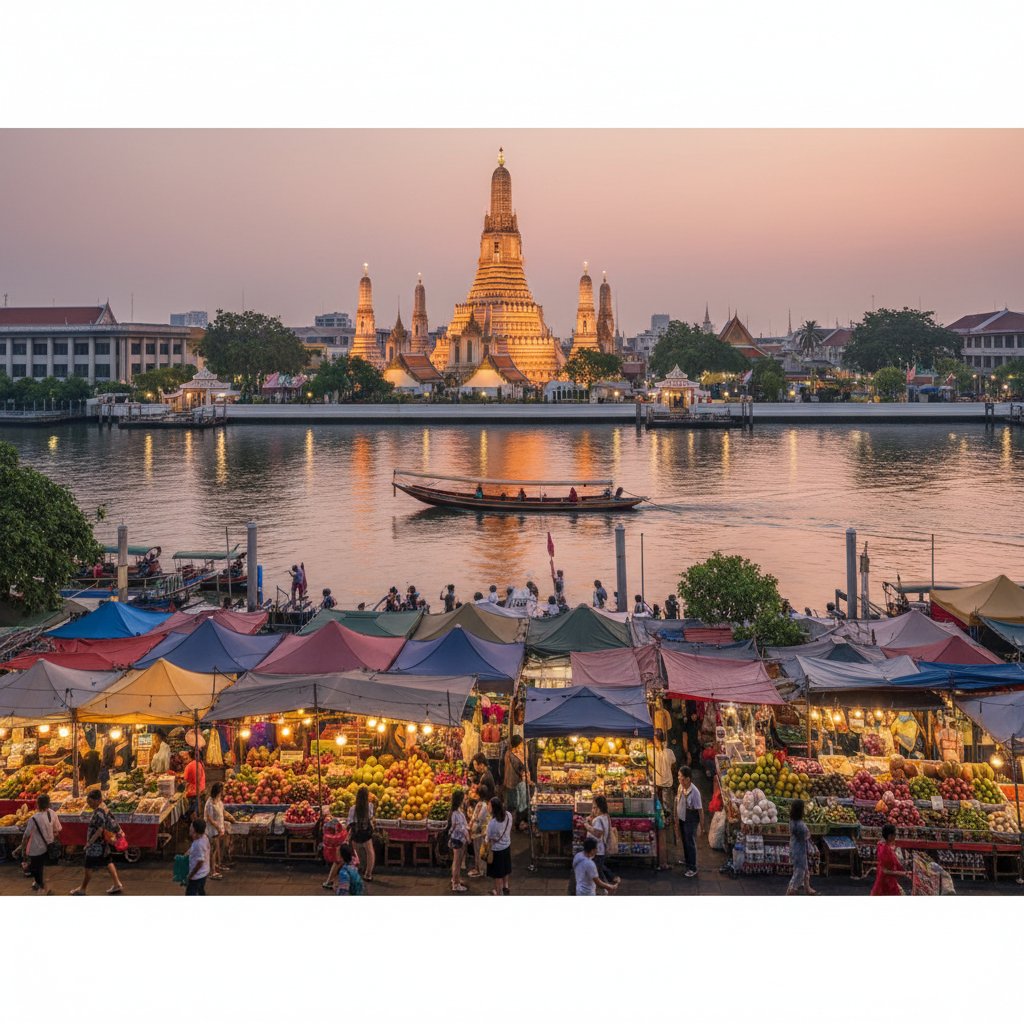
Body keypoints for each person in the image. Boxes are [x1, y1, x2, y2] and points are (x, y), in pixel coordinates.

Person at [70, 789, 125, 895]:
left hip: (96, 845)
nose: (89, 805)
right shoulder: (103, 807)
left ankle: (82, 888)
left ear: (98, 800)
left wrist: (89, 843)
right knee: (108, 862)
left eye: (90, 802)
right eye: (88, 802)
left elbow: (99, 830)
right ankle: (117, 884)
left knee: (88, 866)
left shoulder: (99, 812)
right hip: (103, 844)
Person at [23, 793, 61, 894]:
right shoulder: (52, 813)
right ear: (49, 804)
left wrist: (22, 850)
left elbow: (26, 835)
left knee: (36, 868)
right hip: (49, 845)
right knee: (40, 866)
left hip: (36, 848)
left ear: (37, 804)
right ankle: (40, 885)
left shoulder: (34, 818)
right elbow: (58, 829)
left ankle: (43, 887)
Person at [650, 729, 676, 870]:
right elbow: (673, 762)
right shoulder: (669, 752)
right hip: (666, 784)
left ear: (657, 739)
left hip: (659, 784)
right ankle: (666, 824)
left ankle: (663, 827)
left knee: (661, 807)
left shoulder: (652, 752)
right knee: (666, 807)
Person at [583, 795, 619, 886]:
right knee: (599, 869)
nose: (593, 810)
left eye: (594, 807)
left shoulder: (598, 819)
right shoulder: (605, 816)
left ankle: (607, 888)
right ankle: (611, 880)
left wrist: (587, 826)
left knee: (598, 873)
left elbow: (598, 833)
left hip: (597, 850)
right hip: (600, 849)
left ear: (599, 808)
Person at [204, 781, 235, 880]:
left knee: (218, 849)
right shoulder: (210, 802)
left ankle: (218, 864)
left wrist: (230, 817)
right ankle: (212, 872)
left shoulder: (218, 800)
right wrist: (217, 827)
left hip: (219, 828)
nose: (224, 791)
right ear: (219, 790)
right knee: (213, 850)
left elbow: (222, 811)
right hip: (212, 830)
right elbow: (209, 818)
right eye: (223, 789)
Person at [676, 766, 703, 877]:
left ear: (688, 779)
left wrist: (702, 826)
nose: (679, 779)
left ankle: (693, 867)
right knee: (685, 841)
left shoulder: (695, 792)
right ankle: (687, 860)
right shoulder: (681, 787)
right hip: (682, 817)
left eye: (681, 777)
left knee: (690, 842)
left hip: (691, 819)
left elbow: (700, 810)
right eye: (678, 776)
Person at [787, 799, 817, 895]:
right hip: (799, 849)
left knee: (805, 869)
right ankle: (791, 890)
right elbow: (805, 835)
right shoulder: (799, 824)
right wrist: (808, 834)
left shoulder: (792, 820)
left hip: (795, 846)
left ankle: (807, 888)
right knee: (799, 871)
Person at [485, 796, 514, 895]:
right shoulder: (509, 815)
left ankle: (498, 892)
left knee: (497, 874)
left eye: (489, 805)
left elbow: (488, 838)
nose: (488, 807)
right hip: (506, 847)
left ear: (493, 808)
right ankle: (506, 886)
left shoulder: (492, 823)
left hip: (496, 851)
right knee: (505, 869)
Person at [347, 785, 376, 882]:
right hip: (366, 832)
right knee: (370, 852)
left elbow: (350, 822)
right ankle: (368, 873)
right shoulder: (370, 806)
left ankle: (359, 868)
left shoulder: (352, 808)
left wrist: (349, 835)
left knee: (356, 852)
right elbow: (371, 818)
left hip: (356, 833)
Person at [871, 824, 909, 895]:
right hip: (886, 881)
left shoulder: (881, 844)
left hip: (884, 879)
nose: (895, 836)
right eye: (895, 834)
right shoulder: (885, 849)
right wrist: (903, 873)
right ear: (890, 836)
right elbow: (885, 871)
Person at [503, 735, 529, 831]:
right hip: (513, 783)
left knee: (514, 804)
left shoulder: (508, 753)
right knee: (515, 805)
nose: (522, 746)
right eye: (521, 744)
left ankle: (512, 824)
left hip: (509, 782)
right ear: (517, 745)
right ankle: (514, 826)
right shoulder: (513, 755)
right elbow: (519, 768)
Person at [468, 781, 493, 877]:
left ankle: (480, 870)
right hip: (483, 831)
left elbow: (477, 818)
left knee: (479, 850)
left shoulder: (480, 805)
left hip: (479, 832)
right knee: (481, 850)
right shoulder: (486, 804)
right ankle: (479, 868)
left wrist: (470, 826)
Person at [448, 789, 470, 892]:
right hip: (459, 839)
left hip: (456, 839)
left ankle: (455, 879)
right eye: (464, 798)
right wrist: (467, 836)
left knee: (456, 861)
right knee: (457, 863)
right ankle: (456, 885)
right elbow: (460, 828)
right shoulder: (457, 813)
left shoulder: (454, 812)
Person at [185, 818, 210, 895]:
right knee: (200, 891)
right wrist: (188, 852)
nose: (190, 827)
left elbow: (200, 862)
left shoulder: (199, 844)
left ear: (195, 830)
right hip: (204, 873)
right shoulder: (203, 837)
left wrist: (190, 875)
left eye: (191, 826)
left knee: (190, 893)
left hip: (197, 875)